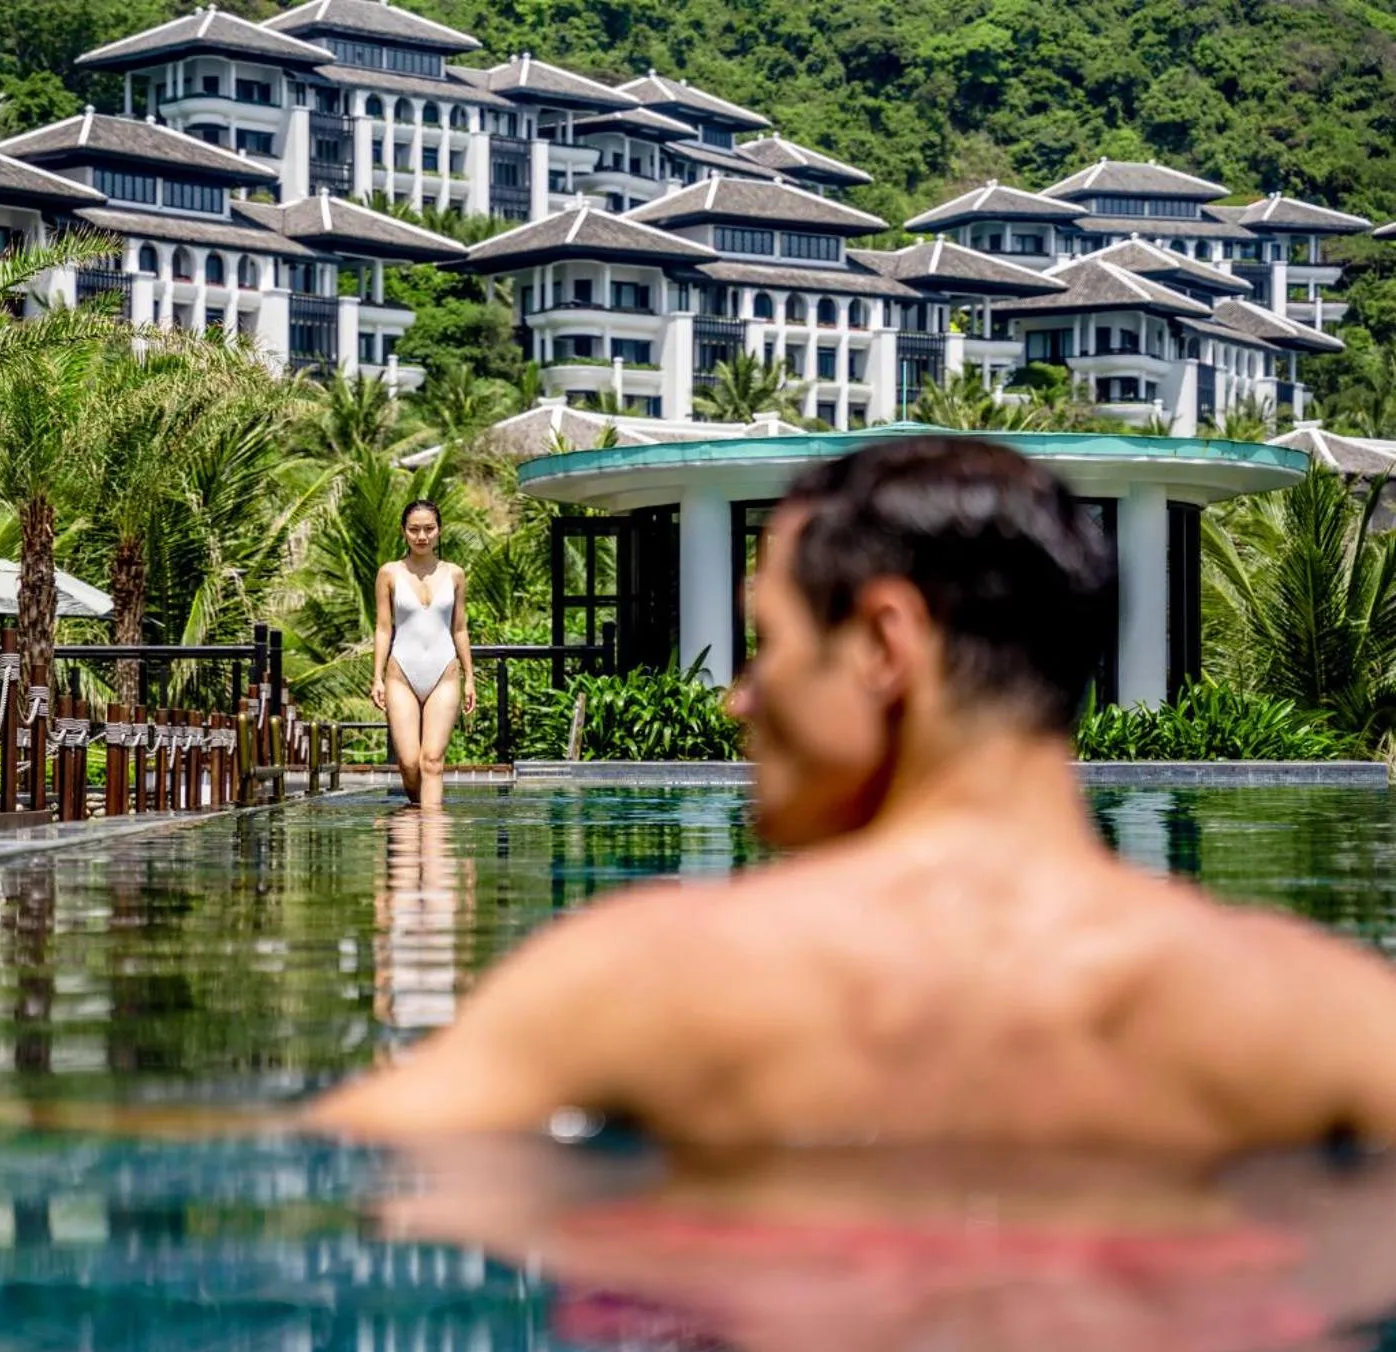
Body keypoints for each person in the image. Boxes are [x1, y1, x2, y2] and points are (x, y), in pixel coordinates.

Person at [310, 434, 1396, 1162]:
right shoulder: (1325, 1024)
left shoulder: (642, 989)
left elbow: (374, 1170)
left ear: (882, 645)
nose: (738, 699)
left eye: (767, 642)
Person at [370, 500, 476, 808]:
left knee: (432, 761)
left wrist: (470, 678)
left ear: (439, 531)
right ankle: (420, 815)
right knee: (409, 763)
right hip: (401, 673)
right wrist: (376, 677)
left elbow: (459, 628)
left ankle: (432, 843)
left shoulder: (455, 574)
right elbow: (383, 628)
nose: (422, 536)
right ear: (404, 532)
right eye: (414, 529)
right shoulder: (389, 573)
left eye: (429, 529)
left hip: (444, 673)